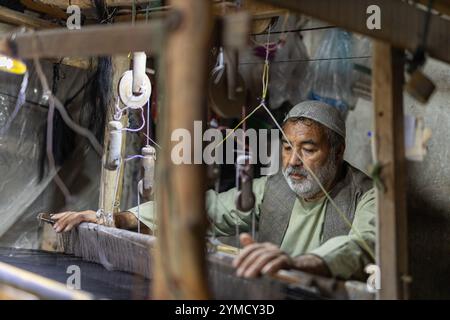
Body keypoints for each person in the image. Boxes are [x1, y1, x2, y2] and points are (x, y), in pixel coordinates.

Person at [52, 100, 375, 281]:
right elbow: (207, 209)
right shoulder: (273, 189)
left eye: (308, 149)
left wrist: (299, 262)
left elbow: (360, 247)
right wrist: (115, 219)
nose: (293, 161)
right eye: (287, 147)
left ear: (337, 150)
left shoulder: (366, 195)